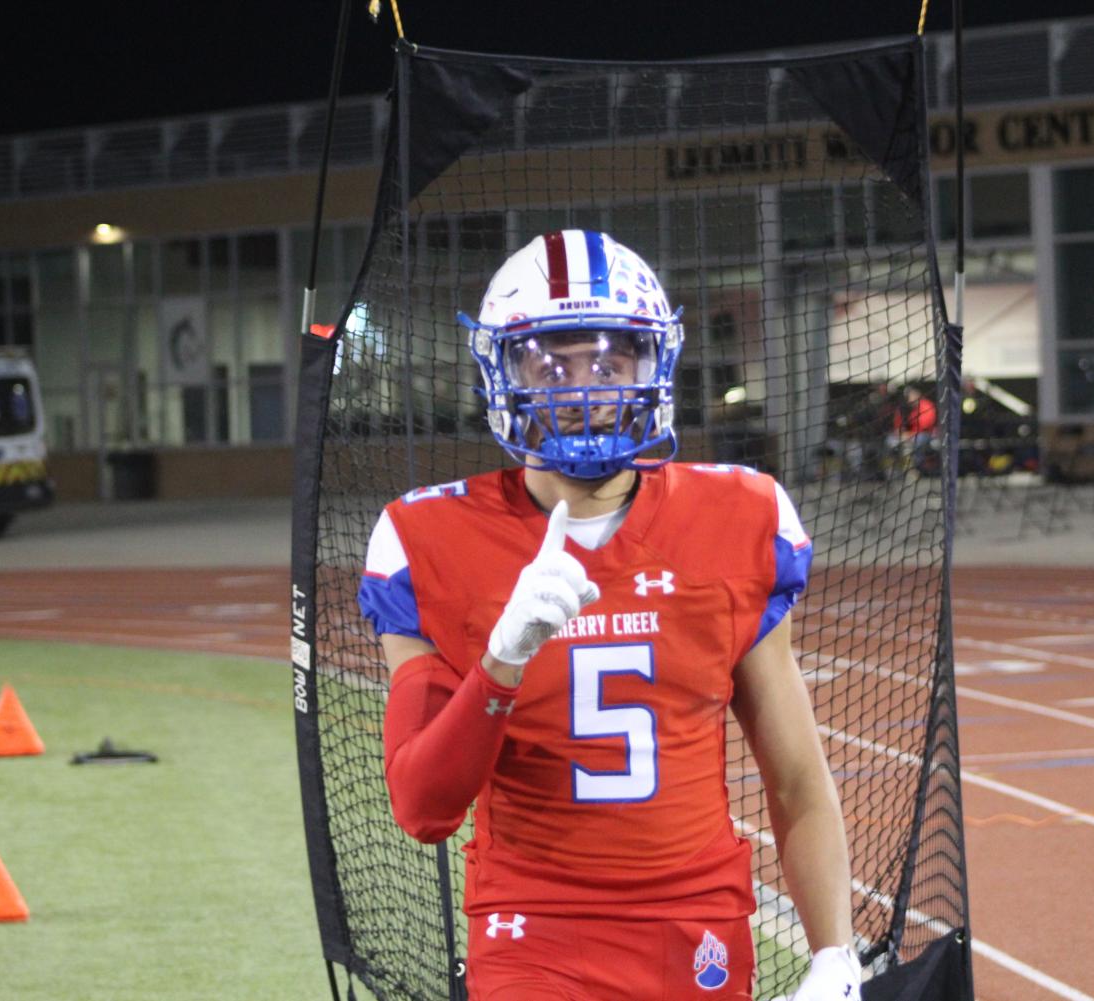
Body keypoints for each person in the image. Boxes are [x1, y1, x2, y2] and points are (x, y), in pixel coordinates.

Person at [358, 230, 860, 1001]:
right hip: (532, 926)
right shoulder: (426, 537)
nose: (582, 384)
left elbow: (796, 782)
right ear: (502, 369)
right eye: (550, 360)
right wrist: (501, 660)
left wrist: (834, 953)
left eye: (610, 360)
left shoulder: (738, 515)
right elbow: (423, 807)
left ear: (653, 365)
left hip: (696, 923)